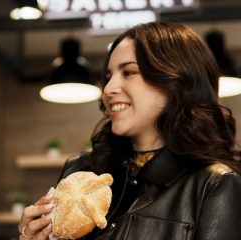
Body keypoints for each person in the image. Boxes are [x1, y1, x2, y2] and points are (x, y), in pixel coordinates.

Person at [18, 22, 241, 240]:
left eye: (128, 73)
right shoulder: (79, 170)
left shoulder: (215, 185)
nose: (108, 89)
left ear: (176, 82)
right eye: (108, 77)